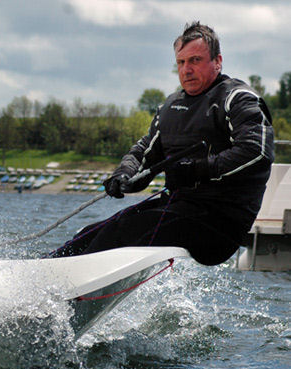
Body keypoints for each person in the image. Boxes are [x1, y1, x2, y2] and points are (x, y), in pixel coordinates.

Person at [51, 21, 274, 265]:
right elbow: (143, 151)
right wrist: (124, 174)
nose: (186, 69)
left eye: (195, 60)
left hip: (220, 220)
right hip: (179, 208)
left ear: (217, 61)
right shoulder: (170, 107)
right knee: (90, 233)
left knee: (122, 232)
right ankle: (39, 275)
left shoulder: (237, 99)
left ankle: (66, 291)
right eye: (181, 62)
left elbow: (257, 153)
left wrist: (198, 169)